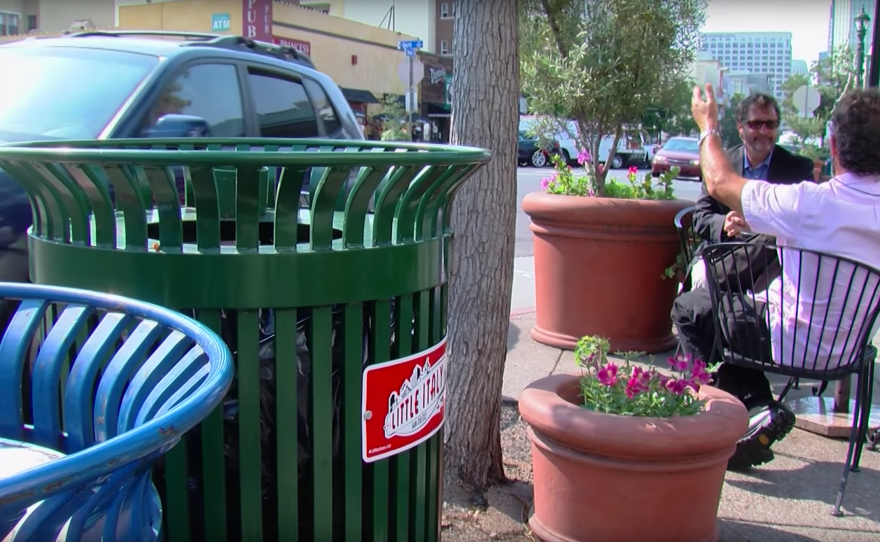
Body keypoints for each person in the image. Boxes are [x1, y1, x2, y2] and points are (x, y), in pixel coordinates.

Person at [682, 85, 880, 470]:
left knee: (693, 308)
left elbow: (718, 182)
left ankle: (703, 419)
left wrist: (707, 124)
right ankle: (754, 412)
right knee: (733, 313)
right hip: (850, 352)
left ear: (834, 147)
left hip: (785, 342)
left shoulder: (808, 202)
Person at [689, 92, 814, 290]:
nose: (764, 131)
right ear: (740, 127)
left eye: (770, 124)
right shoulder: (720, 166)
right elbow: (701, 217)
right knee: (702, 282)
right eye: (756, 124)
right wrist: (724, 224)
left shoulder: (798, 169)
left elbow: (806, 225)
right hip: (725, 252)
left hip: (773, 265)